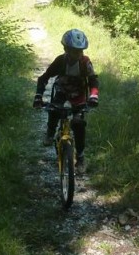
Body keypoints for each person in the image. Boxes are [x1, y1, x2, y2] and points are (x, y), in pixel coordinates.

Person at [33, 29, 99, 172]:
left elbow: (93, 81)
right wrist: (38, 96)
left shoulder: (85, 62)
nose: (78, 54)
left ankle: (80, 158)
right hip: (62, 91)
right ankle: (50, 132)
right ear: (66, 49)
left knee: (79, 123)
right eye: (74, 51)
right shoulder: (60, 61)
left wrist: (94, 96)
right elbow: (44, 78)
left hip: (79, 94)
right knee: (54, 109)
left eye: (80, 51)